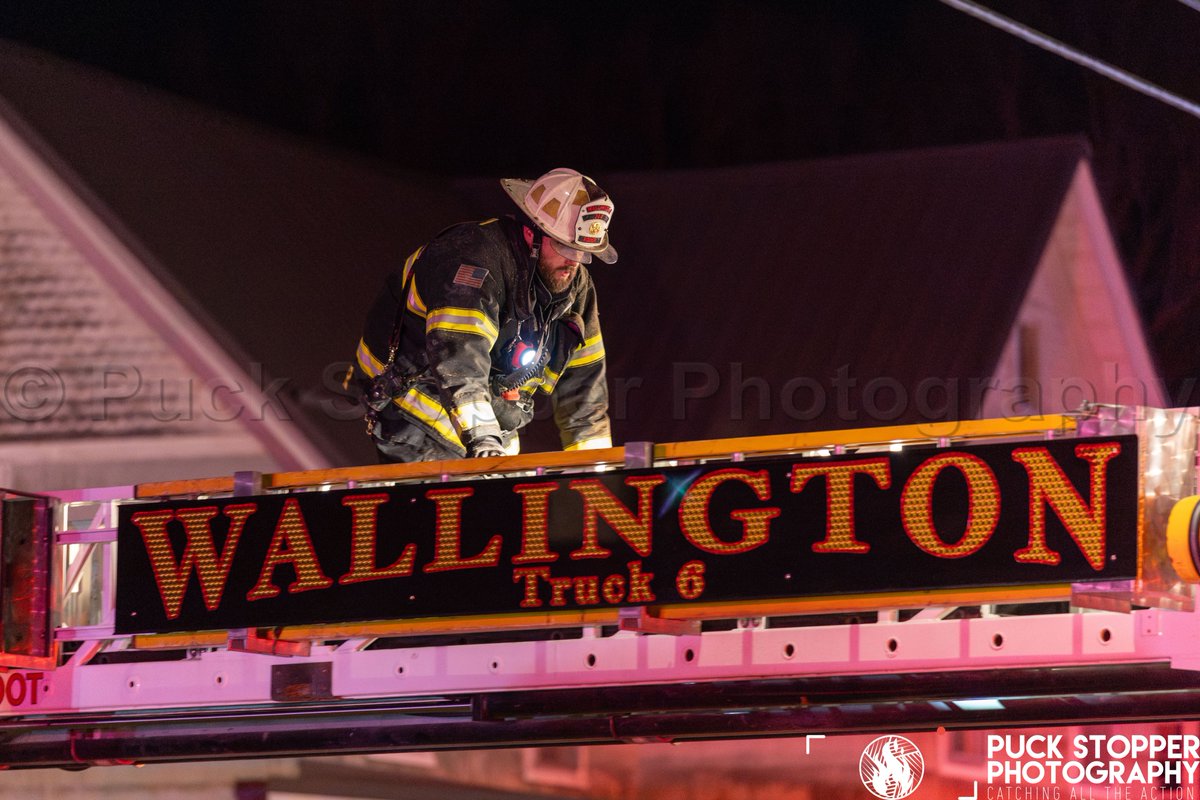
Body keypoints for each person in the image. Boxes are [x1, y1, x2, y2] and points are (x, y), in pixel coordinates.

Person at [351, 168, 617, 462]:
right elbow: (460, 361)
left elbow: (584, 390)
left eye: (583, 252)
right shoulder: (472, 261)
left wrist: (597, 468)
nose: (574, 262)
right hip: (414, 412)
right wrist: (484, 438)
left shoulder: (576, 287)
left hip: (488, 420)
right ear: (532, 232)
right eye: (564, 246)